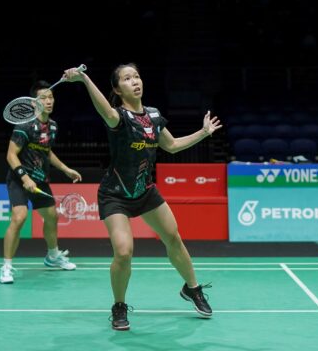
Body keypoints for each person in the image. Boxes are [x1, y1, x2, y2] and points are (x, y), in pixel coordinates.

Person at [63, 63, 222, 331]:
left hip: (145, 191)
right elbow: (104, 109)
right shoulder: (118, 118)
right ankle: (119, 306)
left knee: (173, 238)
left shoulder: (154, 116)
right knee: (124, 252)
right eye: (127, 79)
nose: (135, 81)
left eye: (136, 76)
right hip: (115, 194)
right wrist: (84, 79)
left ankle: (192, 288)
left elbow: (172, 146)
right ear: (117, 89)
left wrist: (204, 132)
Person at [0, 81, 82, 284]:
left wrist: (65, 169)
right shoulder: (25, 126)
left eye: (50, 97)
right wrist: (24, 178)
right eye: (43, 98)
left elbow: (47, 151)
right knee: (19, 218)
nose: (48, 101)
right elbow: (11, 155)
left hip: (39, 179)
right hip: (19, 179)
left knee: (52, 217)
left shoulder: (52, 126)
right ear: (34, 102)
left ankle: (52, 256)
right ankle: (7, 266)